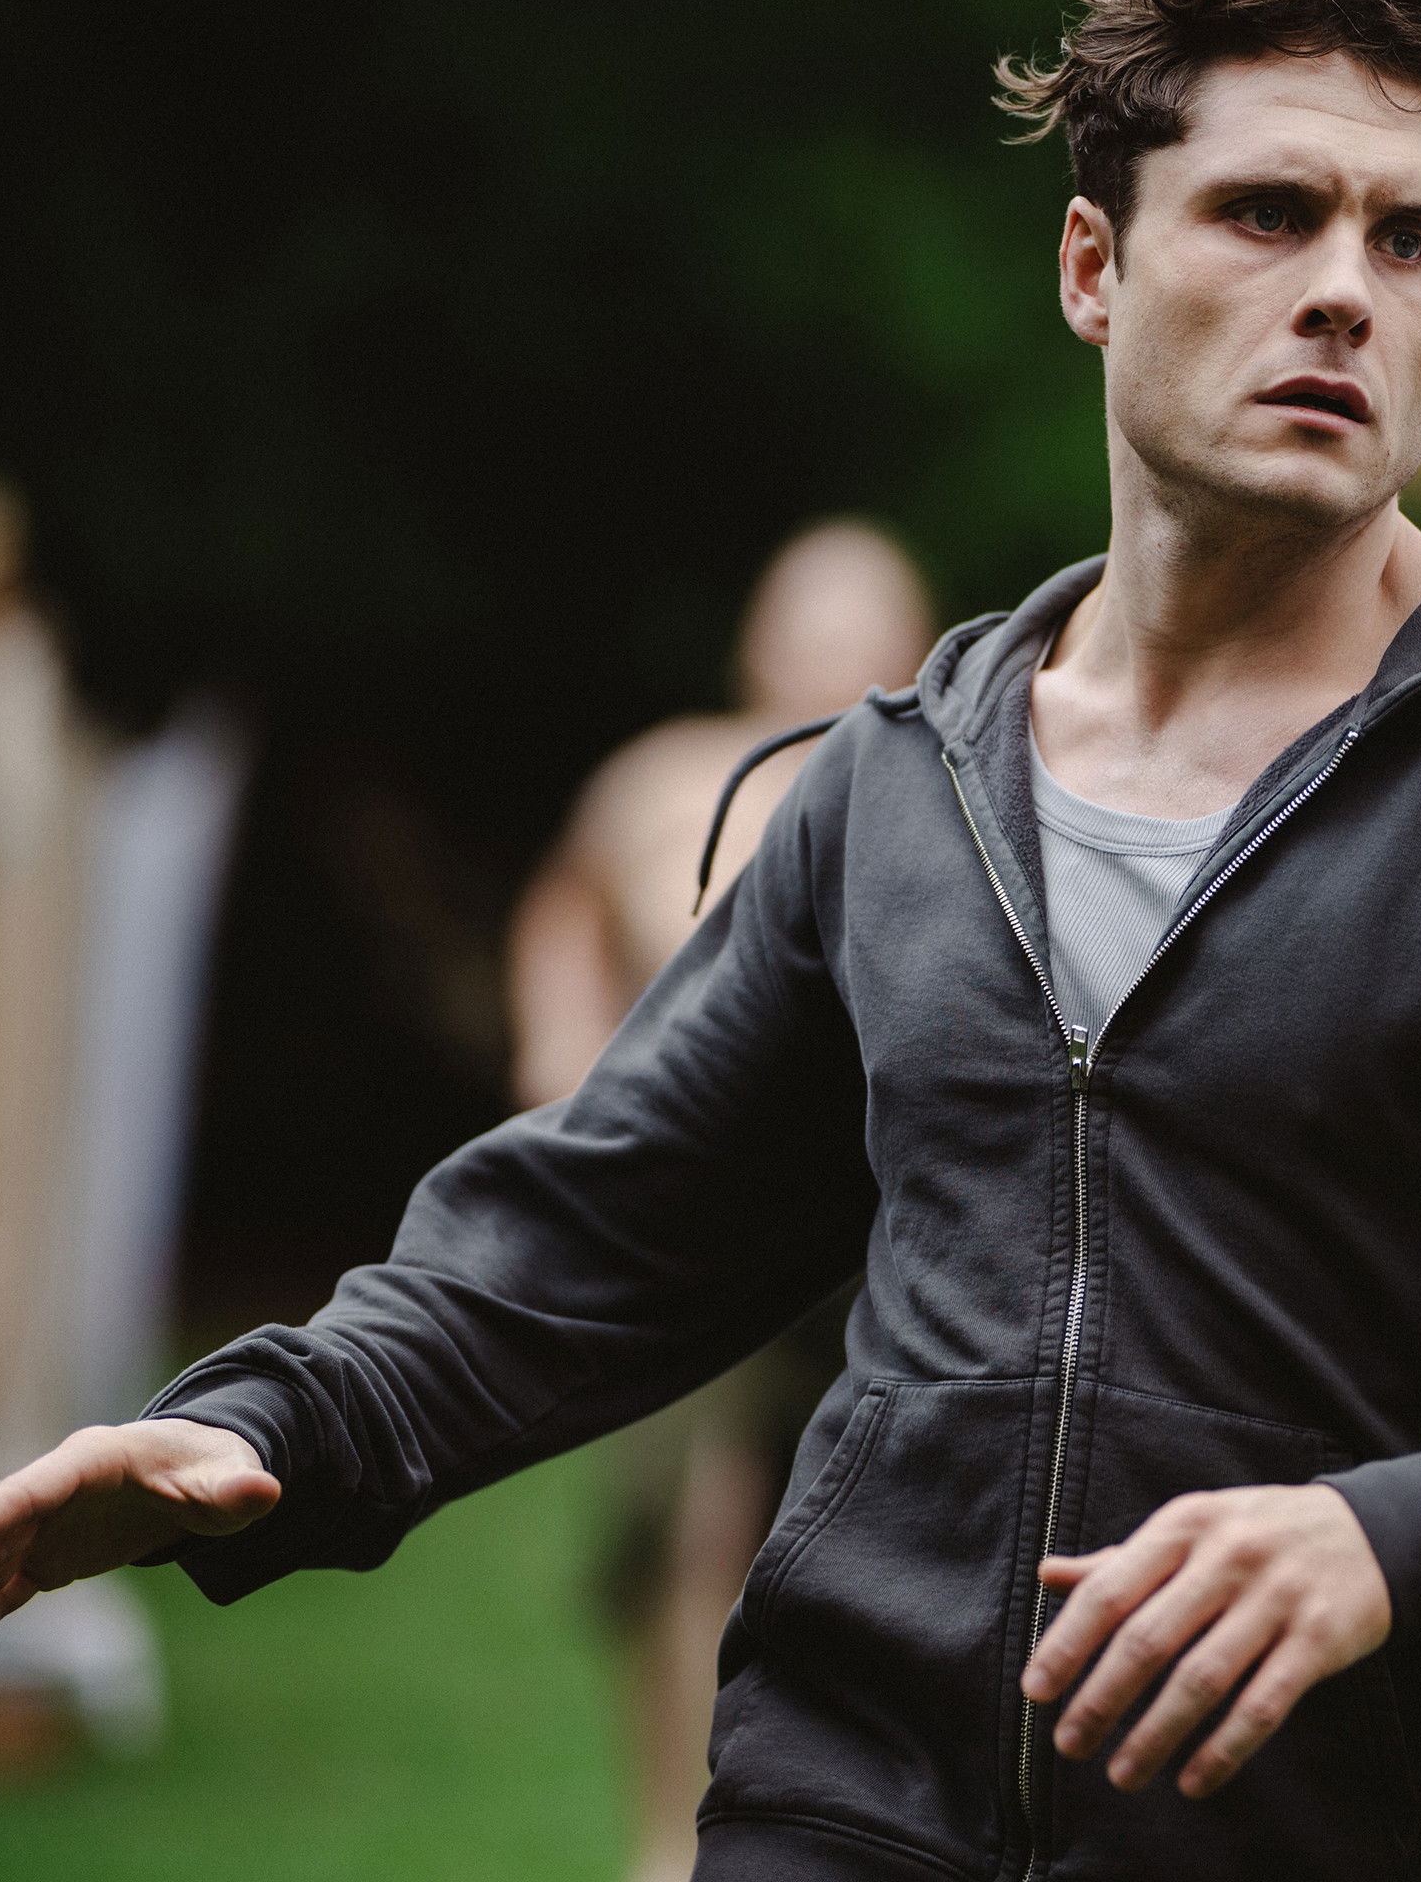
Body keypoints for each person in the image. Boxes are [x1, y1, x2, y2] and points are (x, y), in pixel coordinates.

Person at [0, 0, 1421, 1879]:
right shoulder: (902, 795)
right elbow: (599, 1235)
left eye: (1413, 240)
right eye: (1268, 212)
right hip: (844, 1817)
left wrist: (1405, 1537)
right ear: (1093, 268)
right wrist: (286, 1415)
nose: (1344, 292)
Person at [508, 521, 934, 1882]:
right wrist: (559, 1057)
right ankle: (667, 1841)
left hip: (879, 1239)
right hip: (681, 1219)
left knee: (869, 1533)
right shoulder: (670, 776)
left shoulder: (938, 786)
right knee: (690, 1526)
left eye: (862, 624)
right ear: (757, 637)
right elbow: (563, 910)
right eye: (807, 622)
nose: (829, 651)